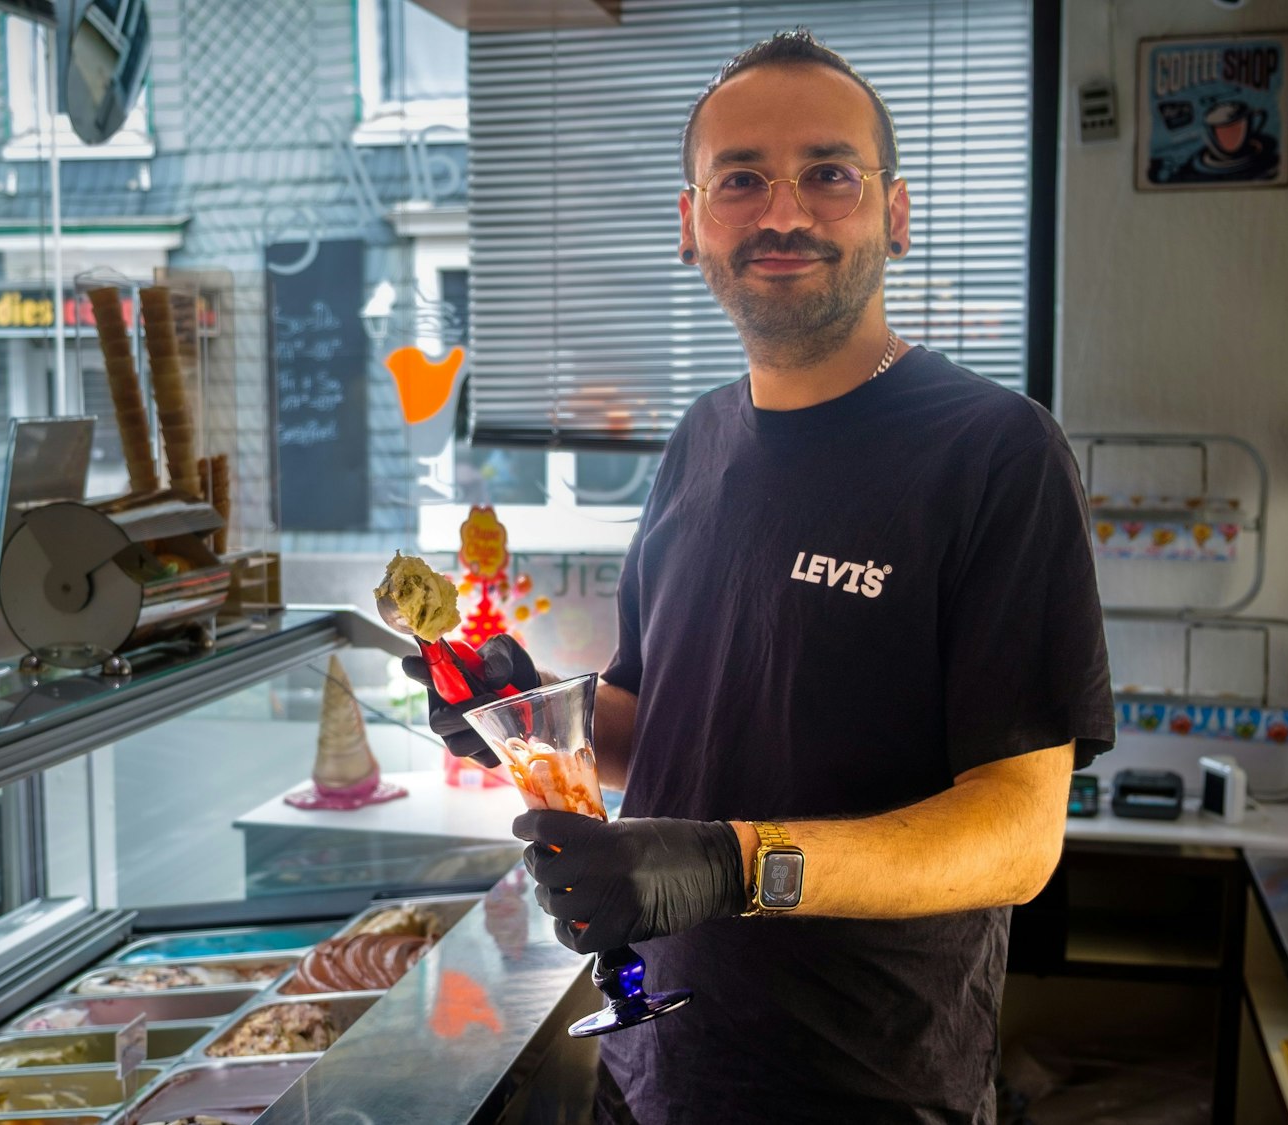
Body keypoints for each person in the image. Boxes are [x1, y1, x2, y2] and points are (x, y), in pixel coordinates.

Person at [407, 29, 1113, 1125]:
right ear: (691, 224)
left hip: (861, 1089)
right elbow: (661, 721)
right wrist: (526, 716)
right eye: (741, 179)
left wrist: (734, 866)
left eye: (828, 173)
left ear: (896, 213)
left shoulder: (993, 452)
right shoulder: (698, 439)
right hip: (655, 1069)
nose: (782, 212)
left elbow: (1016, 838)